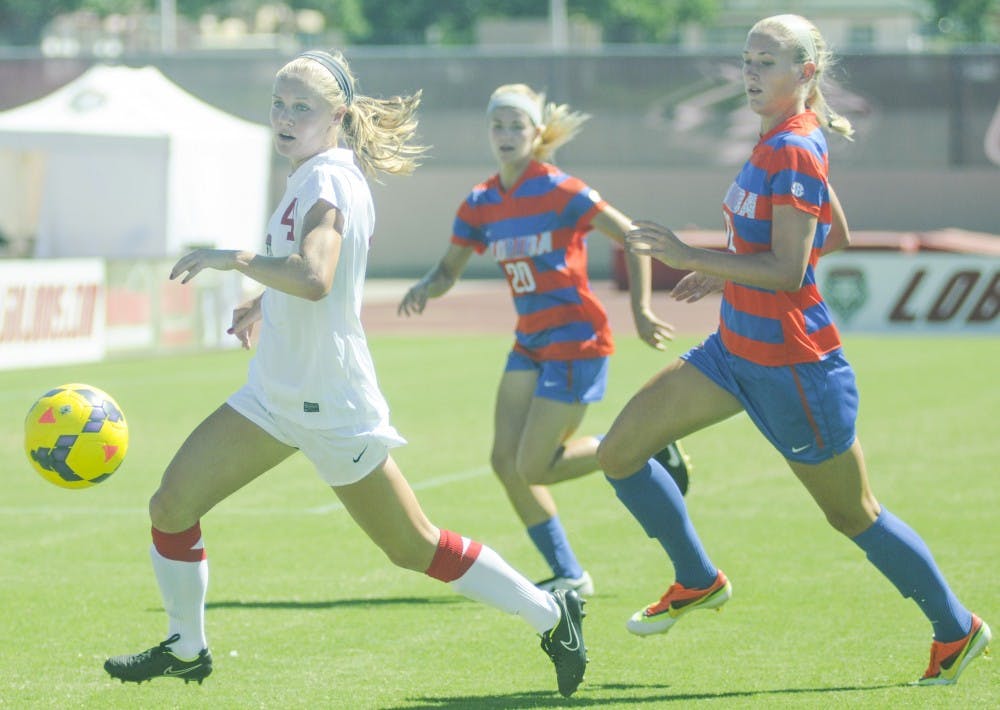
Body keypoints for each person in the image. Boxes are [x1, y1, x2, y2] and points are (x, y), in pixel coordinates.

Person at [102, 50, 588, 698]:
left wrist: (235, 259)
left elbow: (315, 276)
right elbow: (303, 281)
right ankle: (187, 647)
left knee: (413, 547)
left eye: (301, 106)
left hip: (327, 400)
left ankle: (555, 616)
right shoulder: (317, 174)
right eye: (278, 102)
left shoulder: (326, 179)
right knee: (171, 505)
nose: (284, 116)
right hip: (277, 391)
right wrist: (262, 302)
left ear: (337, 115)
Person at [596, 14, 991, 686]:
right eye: (747, 60)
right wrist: (721, 265)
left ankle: (956, 629)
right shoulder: (776, 135)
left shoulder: (795, 148)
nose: (751, 74)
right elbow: (833, 231)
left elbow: (788, 269)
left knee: (852, 514)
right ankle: (697, 578)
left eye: (767, 62)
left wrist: (696, 255)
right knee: (618, 453)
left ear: (805, 72)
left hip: (794, 371)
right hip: (733, 353)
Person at [398, 83, 691, 597]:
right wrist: (427, 286)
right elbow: (448, 269)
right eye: (498, 125)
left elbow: (634, 239)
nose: (506, 134)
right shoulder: (481, 201)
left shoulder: (561, 190)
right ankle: (569, 574)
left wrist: (641, 310)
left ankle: (643, 446)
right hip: (530, 341)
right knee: (503, 463)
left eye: (517, 125)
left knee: (534, 466)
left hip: (578, 340)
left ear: (537, 134)